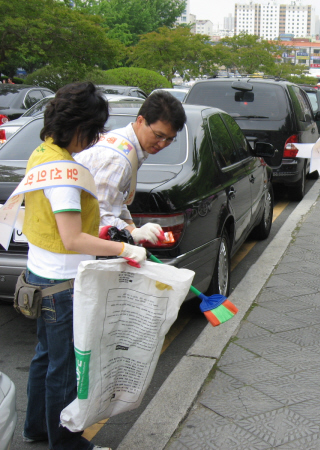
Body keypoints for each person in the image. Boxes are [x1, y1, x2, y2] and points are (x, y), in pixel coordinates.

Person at [22, 82, 147, 450]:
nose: (95, 140)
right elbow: (73, 238)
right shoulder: (63, 173)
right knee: (65, 371)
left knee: (45, 359)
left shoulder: (42, 154)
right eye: (92, 131)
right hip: (61, 286)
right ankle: (65, 444)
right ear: (78, 126)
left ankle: (36, 428)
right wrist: (124, 250)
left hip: (39, 275)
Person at [75, 91, 186, 242]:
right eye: (158, 135)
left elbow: (116, 199)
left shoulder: (128, 145)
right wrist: (133, 232)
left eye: (169, 139)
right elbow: (98, 213)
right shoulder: (117, 159)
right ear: (140, 121)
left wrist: (132, 228)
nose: (162, 144)